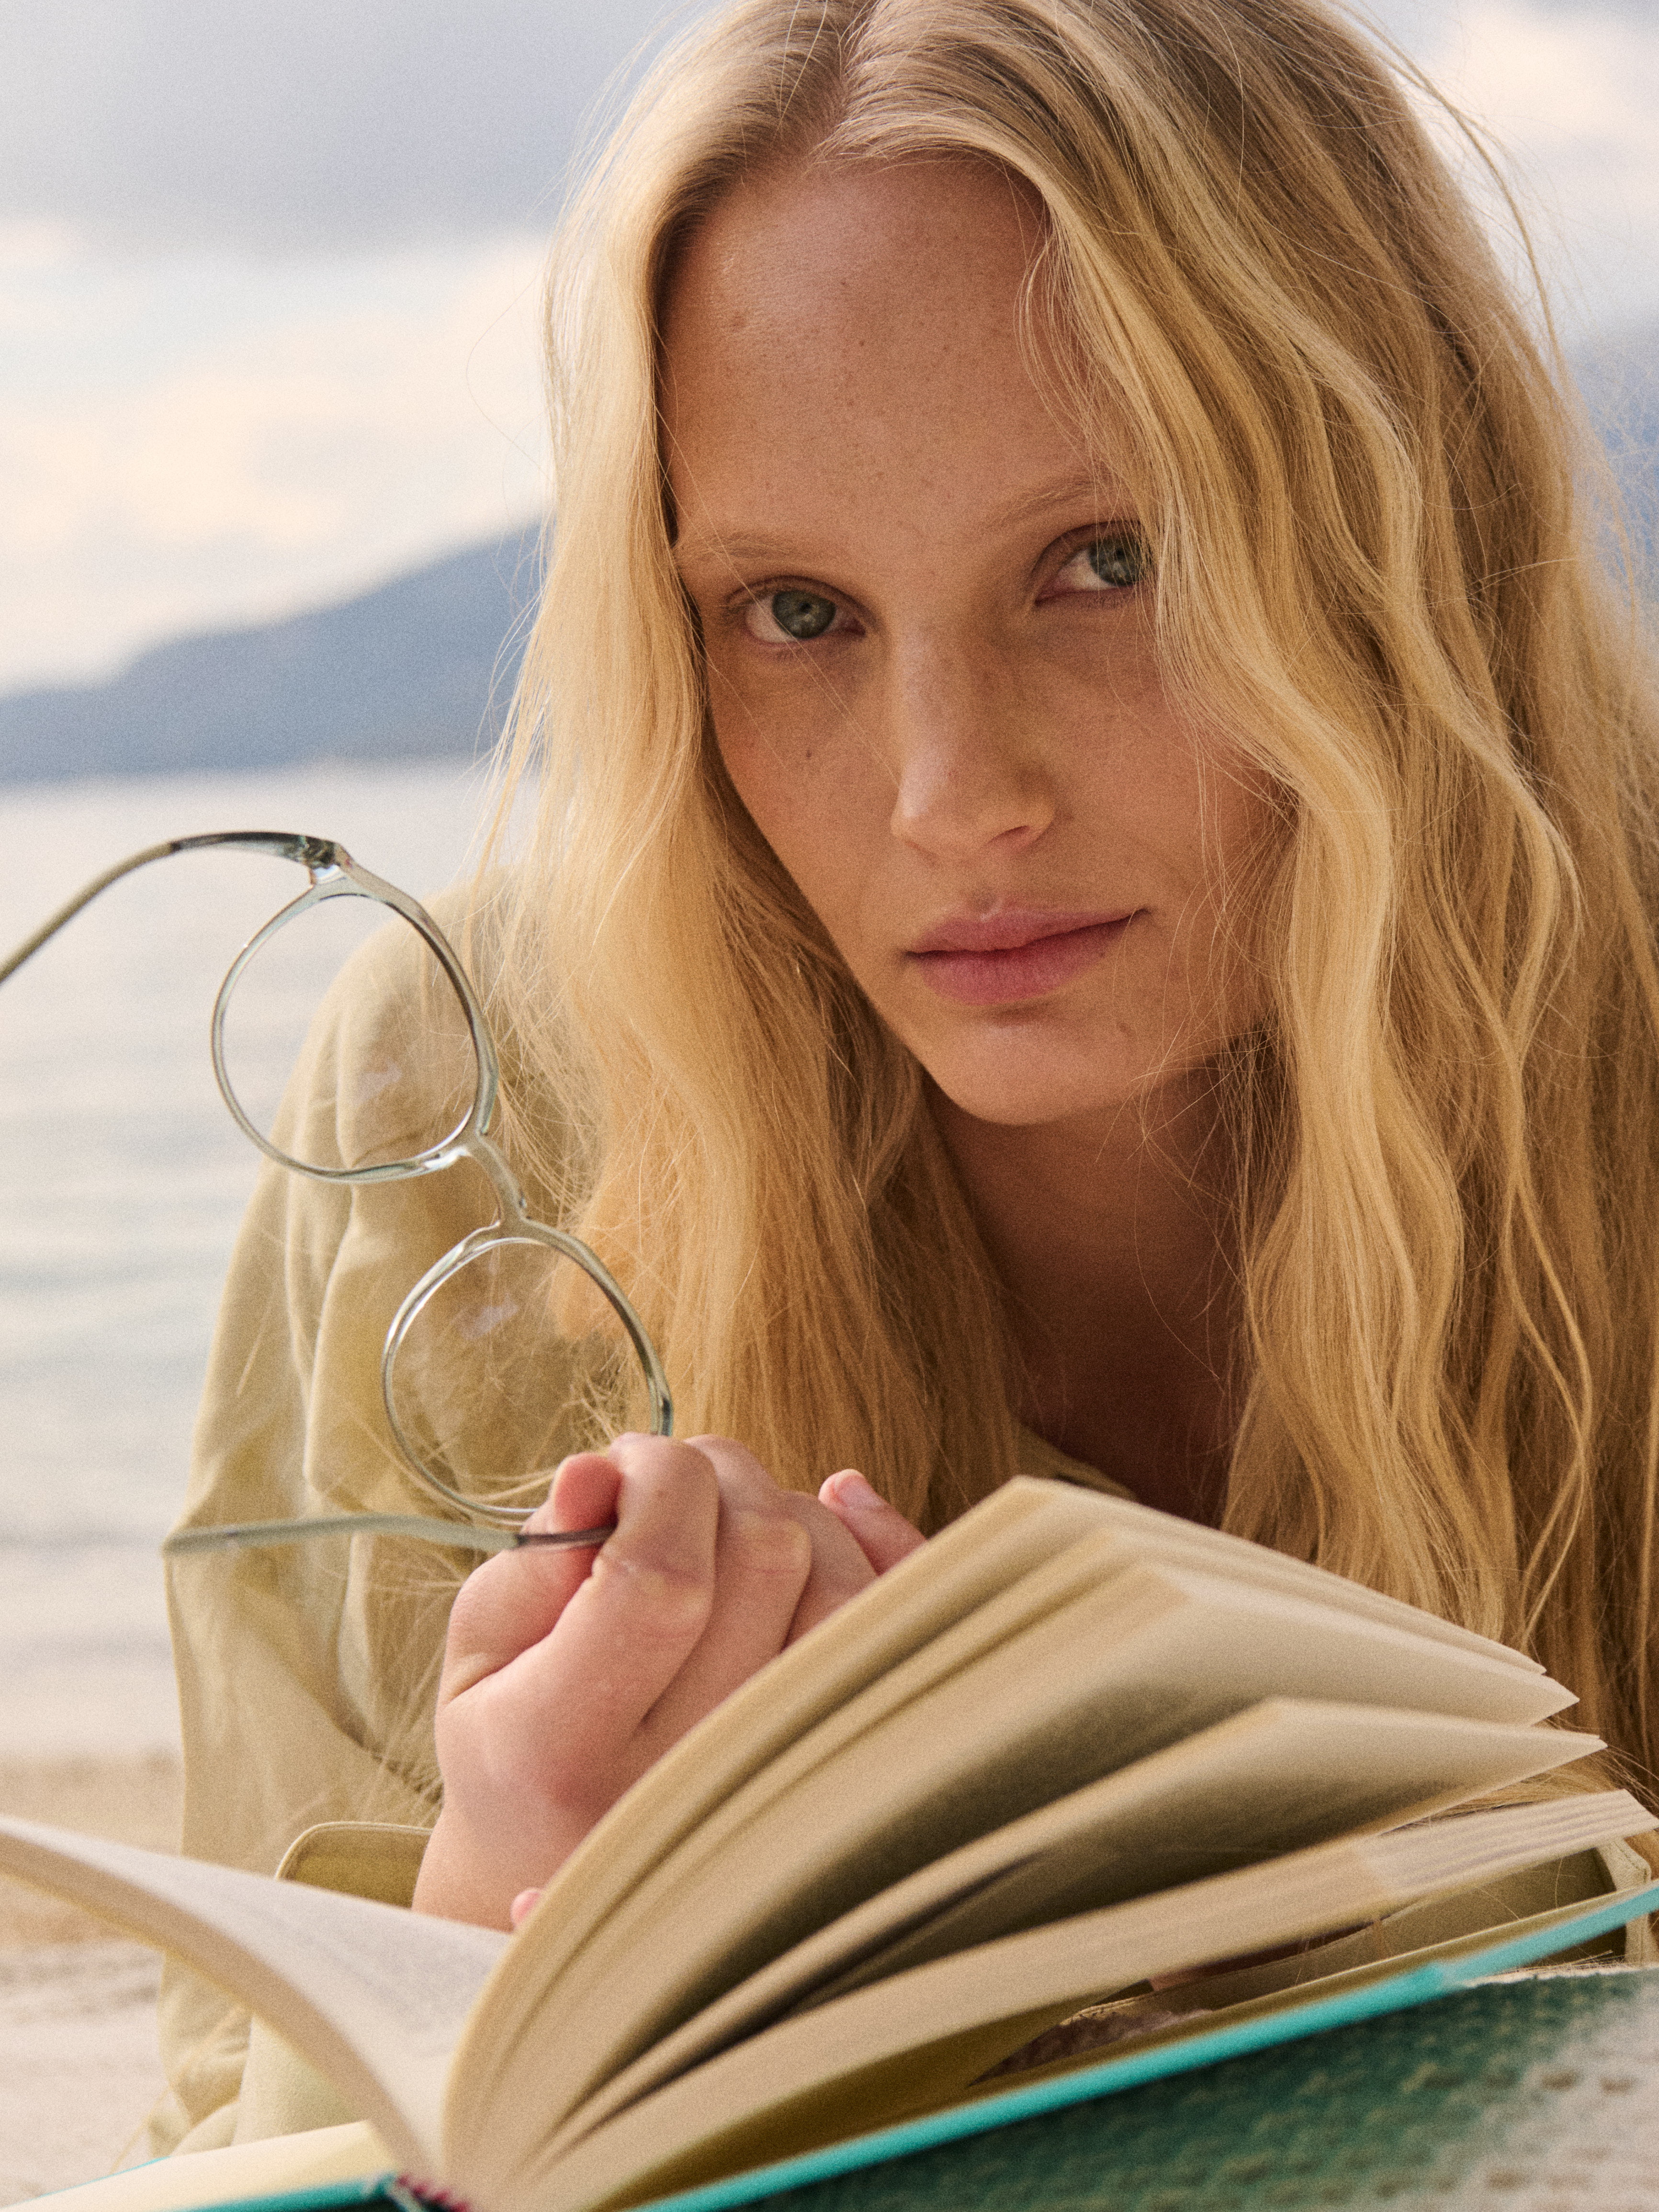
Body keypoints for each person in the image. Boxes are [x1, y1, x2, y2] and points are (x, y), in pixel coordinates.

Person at [154, 0, 1659, 2154]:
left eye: (1109, 564)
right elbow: (236, 2138)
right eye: (796, 613)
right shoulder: (478, 1095)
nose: (951, 798)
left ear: (1415, 531)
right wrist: (503, 1931)